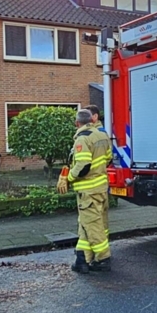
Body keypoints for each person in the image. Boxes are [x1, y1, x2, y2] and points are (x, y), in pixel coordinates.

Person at [58, 109, 112, 273]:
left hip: (88, 190)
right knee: (88, 224)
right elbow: (108, 159)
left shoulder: (82, 138)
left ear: (77, 123)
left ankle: (103, 258)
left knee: (93, 226)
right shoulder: (102, 135)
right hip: (101, 187)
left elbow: (83, 165)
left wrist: (69, 178)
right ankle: (82, 259)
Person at [85, 104, 112, 242]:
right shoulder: (100, 133)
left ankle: (100, 247)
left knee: (96, 218)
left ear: (95, 117)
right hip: (101, 182)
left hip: (94, 183)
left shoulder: (98, 134)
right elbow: (108, 157)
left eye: (87, 116)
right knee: (101, 217)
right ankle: (102, 244)